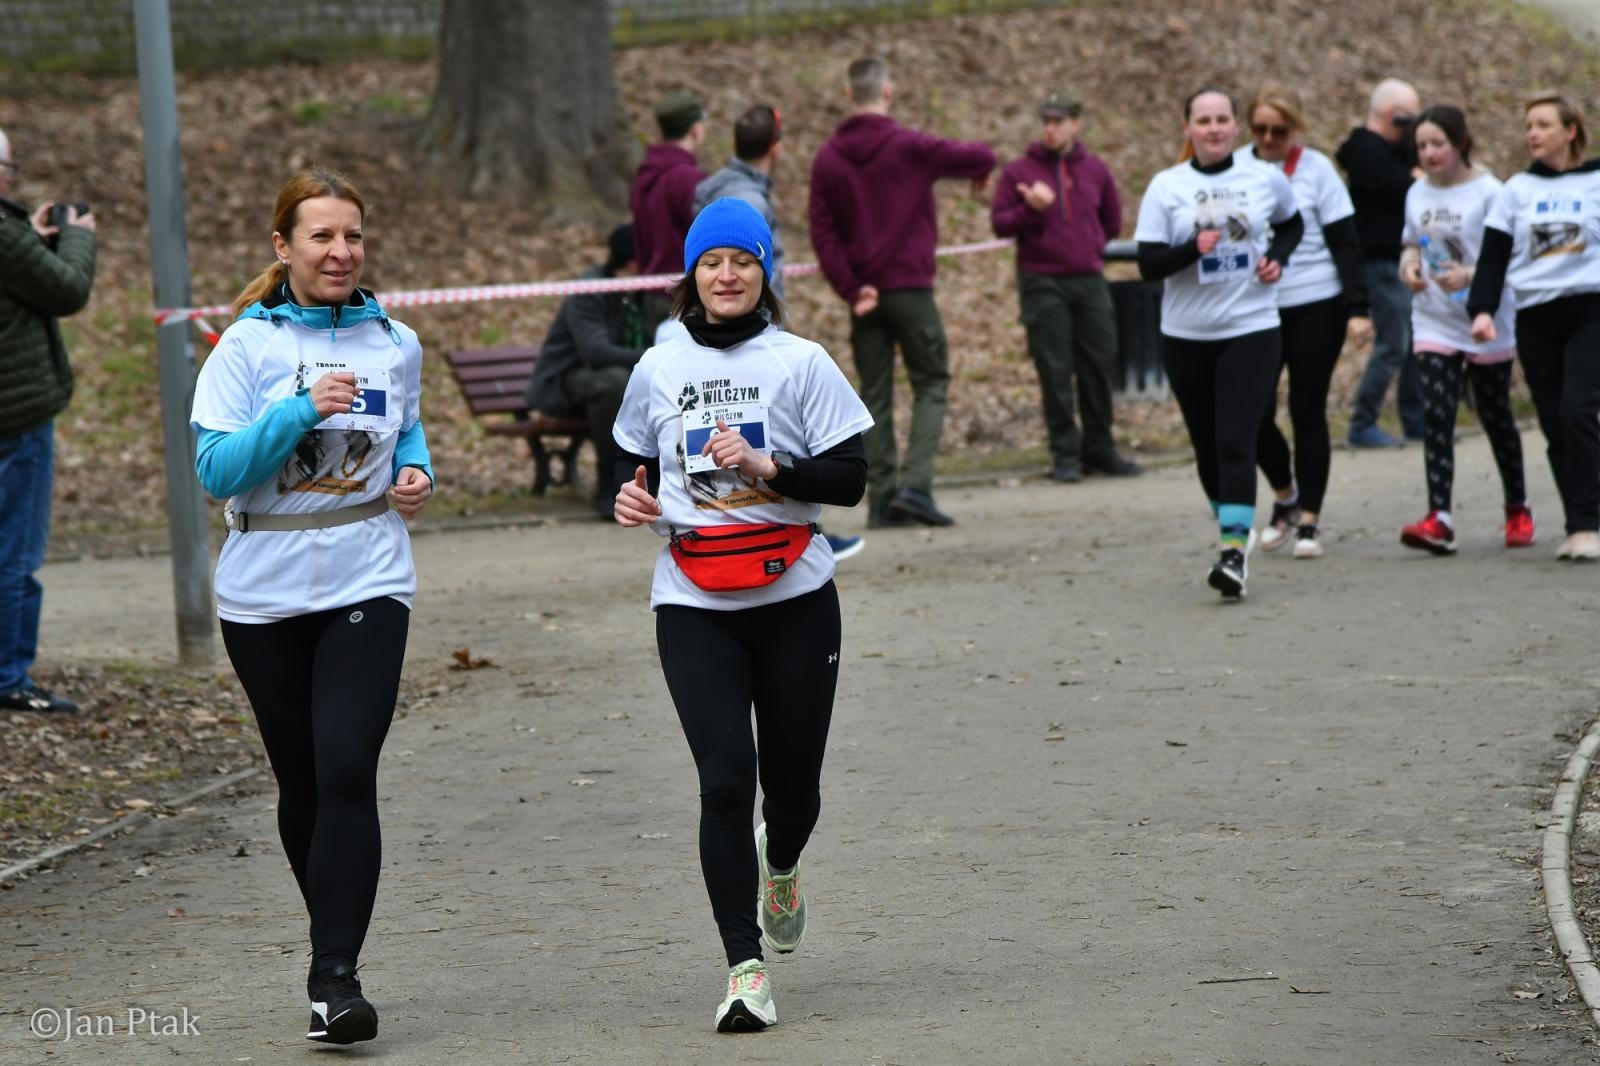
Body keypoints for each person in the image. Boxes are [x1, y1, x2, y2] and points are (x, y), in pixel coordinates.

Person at [612, 198, 872, 1032]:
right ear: (691, 273)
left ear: (765, 272)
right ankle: (744, 967)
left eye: (742, 261)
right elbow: (636, 465)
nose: (726, 276)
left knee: (790, 791)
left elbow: (851, 480)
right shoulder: (658, 365)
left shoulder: (801, 362)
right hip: (693, 603)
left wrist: (770, 465)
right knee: (725, 780)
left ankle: (783, 859)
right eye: (711, 262)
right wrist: (630, 497)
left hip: (795, 598)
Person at [189, 169, 434, 1045]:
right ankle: (330, 933)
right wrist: (297, 409)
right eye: (323, 237)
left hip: (370, 573)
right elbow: (218, 472)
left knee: (344, 770)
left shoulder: (393, 341)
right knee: (302, 782)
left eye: (354, 237)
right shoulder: (243, 349)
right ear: (282, 247)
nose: (341, 252)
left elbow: (405, 427)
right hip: (263, 588)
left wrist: (416, 472)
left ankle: (336, 978)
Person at [809, 57, 996, 528]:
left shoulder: (828, 158)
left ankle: (883, 500)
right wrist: (980, 175)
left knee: (875, 395)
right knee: (931, 381)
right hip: (910, 287)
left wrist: (851, 289)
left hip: (865, 296)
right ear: (887, 92)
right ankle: (915, 486)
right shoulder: (911, 146)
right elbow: (981, 156)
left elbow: (823, 233)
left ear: (850, 95)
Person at [1135, 88, 1303, 598]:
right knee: (1207, 447)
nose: (1213, 128)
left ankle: (1233, 555)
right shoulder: (1167, 186)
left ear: (1236, 128)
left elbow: (1292, 224)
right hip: (1186, 335)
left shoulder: (1263, 177)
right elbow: (1147, 265)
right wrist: (1191, 248)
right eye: (1202, 120)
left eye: (1222, 119)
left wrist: (1280, 256)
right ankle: (1246, 519)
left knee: (1236, 437)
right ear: (1187, 128)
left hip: (1251, 326)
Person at [693, 104, 864, 561]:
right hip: (747, 340)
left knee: (764, 445)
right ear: (778, 149)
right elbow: (740, 282)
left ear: (733, 145)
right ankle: (784, 529)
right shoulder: (746, 201)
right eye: (716, 263)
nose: (729, 271)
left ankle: (801, 526)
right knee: (756, 441)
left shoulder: (726, 188)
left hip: (759, 336)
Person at [1239, 85, 1372, 560]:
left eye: (1280, 130)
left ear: (1295, 129)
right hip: (1257, 306)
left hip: (1317, 301)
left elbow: (1345, 243)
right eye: (1261, 129)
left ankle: (1310, 520)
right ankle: (1284, 495)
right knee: (1253, 411)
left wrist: (1358, 309)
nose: (1270, 138)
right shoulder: (1239, 168)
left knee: (1306, 407)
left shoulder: (1316, 170)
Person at [1468, 93, 1600, 561]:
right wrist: (1481, 309)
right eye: (1528, 126)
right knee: (1554, 422)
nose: (1533, 133)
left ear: (1570, 131)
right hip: (1537, 316)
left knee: (1578, 408)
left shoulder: (1595, 181)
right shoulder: (1515, 191)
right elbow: (1493, 257)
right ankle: (1580, 516)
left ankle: (1587, 522)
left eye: (1543, 124)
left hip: (1590, 310)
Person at [1395, 105, 1530, 555]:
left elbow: (1507, 258)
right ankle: (1439, 517)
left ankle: (1517, 507)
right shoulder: (1417, 193)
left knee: (1495, 416)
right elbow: (1411, 244)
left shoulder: (1491, 193)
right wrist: (1410, 269)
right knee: (1437, 414)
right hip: (1433, 317)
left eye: (1438, 144)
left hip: (1484, 319)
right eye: (1422, 146)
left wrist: (1470, 277)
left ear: (1460, 143)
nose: (1430, 153)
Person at [990, 89, 1141, 483]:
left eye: (1058, 121)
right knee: (1054, 368)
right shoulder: (1020, 172)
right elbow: (1001, 224)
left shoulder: (1095, 169)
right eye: (1046, 121)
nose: (1051, 129)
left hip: (1089, 278)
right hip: (1042, 281)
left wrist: (1088, 247)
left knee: (1099, 362)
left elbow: (1110, 222)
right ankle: (1065, 454)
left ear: (1076, 124)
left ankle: (1101, 449)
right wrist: (1030, 210)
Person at [0, 126, 96, 714]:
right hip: (17, 414)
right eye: (7, 169)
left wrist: (27, 239)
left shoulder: (10, 238)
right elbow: (66, 289)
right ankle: (10, 676)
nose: (10, 179)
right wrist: (78, 238)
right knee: (15, 552)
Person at [523, 223, 648, 518]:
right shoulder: (590, 289)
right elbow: (595, 352)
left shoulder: (644, 292)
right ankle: (610, 488)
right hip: (566, 380)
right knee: (615, 383)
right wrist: (652, 357)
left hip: (614, 378)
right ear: (634, 261)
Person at [1338, 78, 1425, 449]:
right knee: (1393, 343)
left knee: (1413, 343)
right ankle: (1362, 423)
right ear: (1393, 116)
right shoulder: (1366, 151)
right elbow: (1406, 188)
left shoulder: (1395, 152)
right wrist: (1414, 178)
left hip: (1399, 260)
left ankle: (1417, 421)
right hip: (1378, 261)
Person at [631, 89, 706, 331]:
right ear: (696, 130)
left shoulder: (644, 175)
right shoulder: (689, 179)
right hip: (685, 299)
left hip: (652, 295)